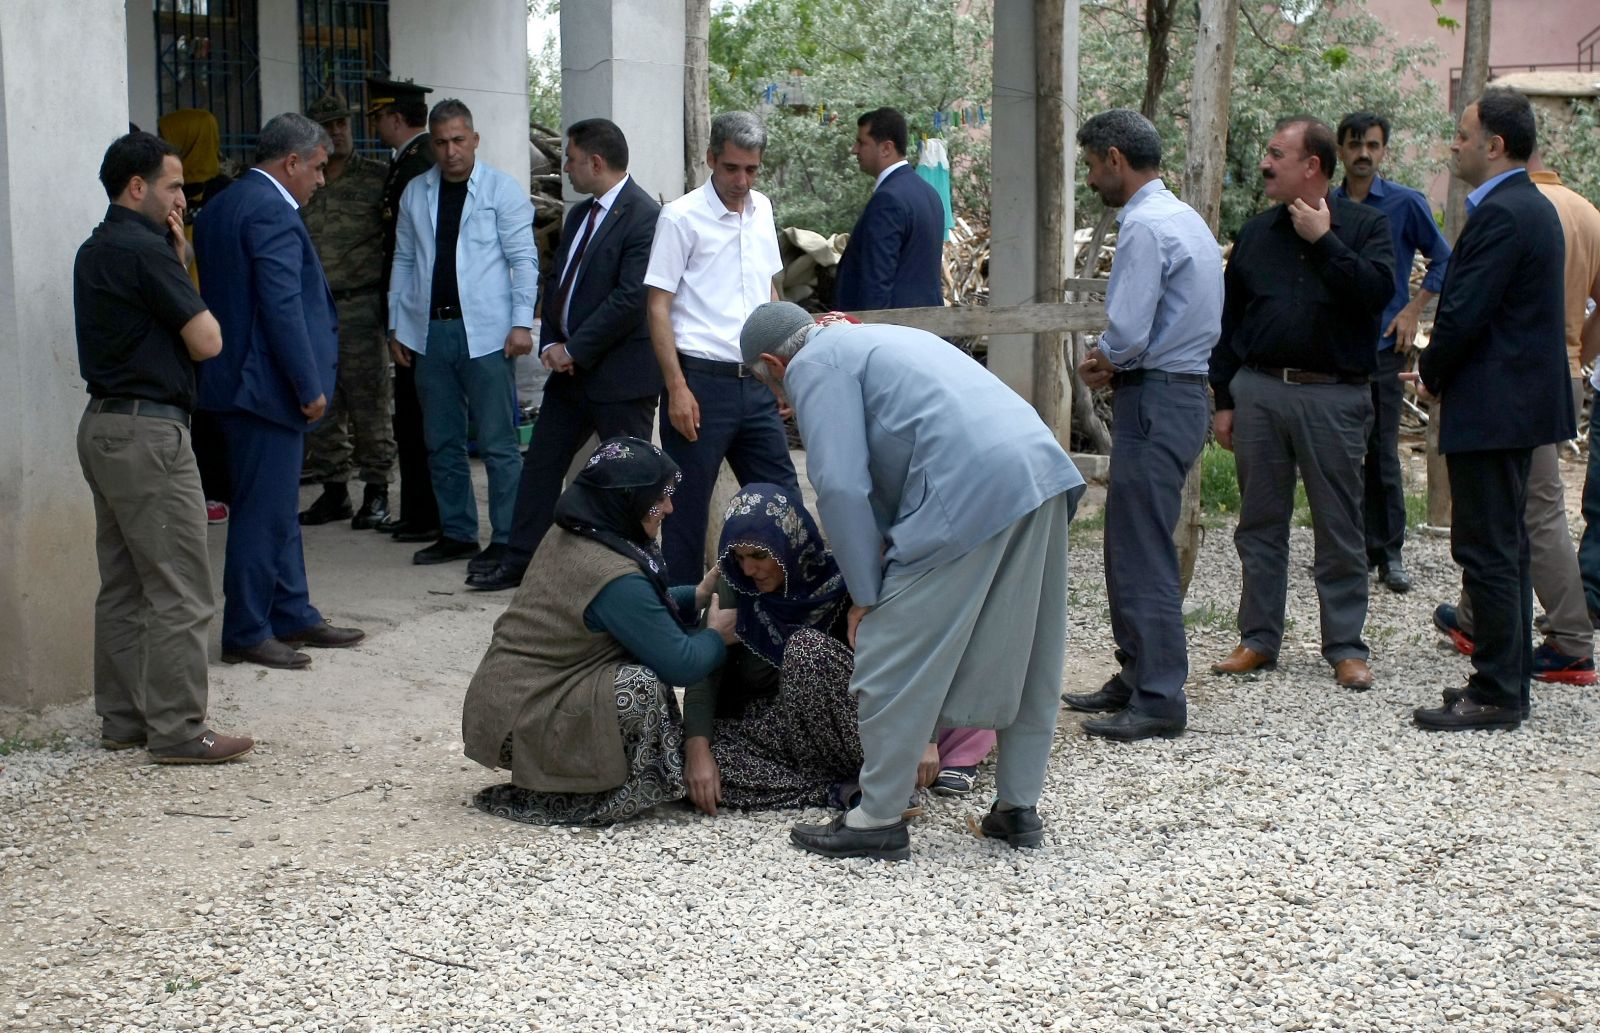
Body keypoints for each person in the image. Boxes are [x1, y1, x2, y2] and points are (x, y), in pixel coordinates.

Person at [741, 304, 1086, 861]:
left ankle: (877, 816)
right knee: (1028, 651)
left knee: (886, 651)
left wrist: (866, 596)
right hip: (1040, 471)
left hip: (968, 487)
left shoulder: (815, 363)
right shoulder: (875, 339)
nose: (782, 402)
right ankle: (1017, 810)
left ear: (772, 363)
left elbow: (842, 486)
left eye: (770, 385)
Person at [73, 131, 253, 763]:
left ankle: (123, 720)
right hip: (151, 432)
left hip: (103, 425)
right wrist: (181, 265)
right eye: (175, 185)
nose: (184, 197)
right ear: (138, 187)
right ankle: (179, 729)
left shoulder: (95, 249)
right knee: (181, 585)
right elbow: (207, 341)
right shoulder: (146, 253)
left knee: (122, 583)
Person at [1208, 115, 1394, 691]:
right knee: (1259, 523)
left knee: (1339, 525)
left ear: (1311, 166)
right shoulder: (1256, 233)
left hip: (1333, 396)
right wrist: (1225, 397)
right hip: (1259, 391)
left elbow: (1375, 294)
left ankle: (1344, 646)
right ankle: (1258, 639)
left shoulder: (1366, 226)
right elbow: (1229, 320)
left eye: (1275, 154)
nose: (1264, 164)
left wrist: (1325, 241)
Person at [461, 437, 735, 825]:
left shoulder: (580, 530)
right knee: (638, 685)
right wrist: (717, 635)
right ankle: (594, 792)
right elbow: (682, 664)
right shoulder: (612, 572)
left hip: (507, 704)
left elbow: (632, 613)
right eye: (659, 497)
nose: (669, 507)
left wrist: (697, 594)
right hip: (523, 715)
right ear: (626, 500)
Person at [1411, 90, 1573, 731]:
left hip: (1497, 406)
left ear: (1494, 145)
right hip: (1510, 404)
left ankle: (1501, 692)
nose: (1454, 144)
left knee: (1489, 550)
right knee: (1499, 547)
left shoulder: (1505, 213)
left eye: (1462, 133)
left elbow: (1466, 310)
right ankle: (1496, 680)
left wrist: (1430, 370)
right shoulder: (1519, 206)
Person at [683, 483, 993, 816]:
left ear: (789, 543)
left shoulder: (841, 580)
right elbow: (703, 679)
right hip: (776, 732)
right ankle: (844, 791)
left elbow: (909, 651)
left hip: (848, 729)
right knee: (679, 760)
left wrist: (924, 737)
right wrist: (697, 752)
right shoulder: (734, 587)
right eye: (740, 558)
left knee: (805, 650)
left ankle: (882, 774)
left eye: (759, 556)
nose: (748, 569)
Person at [1064, 109, 1223, 741]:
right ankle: (1135, 675)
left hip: (1156, 396)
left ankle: (1158, 695)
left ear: (1114, 158)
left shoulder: (1144, 227)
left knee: (1143, 550)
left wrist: (1107, 356)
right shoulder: (1185, 219)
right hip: (1176, 392)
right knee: (1131, 541)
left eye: (1092, 165)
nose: (1092, 178)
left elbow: (1129, 330)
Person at [195, 112, 366, 670]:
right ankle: (246, 628)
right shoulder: (270, 210)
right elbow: (280, 306)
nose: (322, 180)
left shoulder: (223, 204)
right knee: (261, 514)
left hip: (233, 384)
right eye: (317, 168)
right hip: (265, 389)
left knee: (274, 507)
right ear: (291, 162)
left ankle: (292, 613)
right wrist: (308, 383)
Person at [468, 118, 663, 592]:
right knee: (541, 465)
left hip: (620, 378)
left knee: (630, 480)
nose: (567, 169)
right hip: (572, 376)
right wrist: (552, 340)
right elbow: (559, 282)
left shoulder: (645, 216)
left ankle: (634, 574)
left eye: (571, 160)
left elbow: (630, 298)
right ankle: (520, 560)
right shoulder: (579, 215)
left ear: (595, 162)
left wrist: (575, 347)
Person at [1435, 149, 1599, 685]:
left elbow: (1473, 309)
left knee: (1533, 512)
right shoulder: (1586, 211)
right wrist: (1581, 357)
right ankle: (1477, 618)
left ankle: (1572, 639)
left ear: (1501, 149)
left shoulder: (1516, 210)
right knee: (1499, 509)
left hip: (1513, 382)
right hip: (1562, 371)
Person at [643, 111, 800, 584]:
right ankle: (684, 634)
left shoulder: (763, 210)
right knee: (686, 518)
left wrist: (781, 373)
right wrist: (677, 388)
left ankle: (788, 615)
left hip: (755, 382)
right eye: (731, 168)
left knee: (784, 501)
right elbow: (657, 306)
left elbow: (770, 293)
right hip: (700, 384)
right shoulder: (680, 217)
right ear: (710, 158)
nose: (741, 180)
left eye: (751, 169)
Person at [389, 98, 535, 572]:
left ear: (474, 139)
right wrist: (397, 324)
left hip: (488, 333)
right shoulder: (416, 192)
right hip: (430, 330)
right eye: (441, 142)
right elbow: (405, 260)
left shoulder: (501, 190)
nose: (451, 151)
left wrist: (520, 322)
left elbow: (524, 261)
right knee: (442, 441)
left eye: (458, 140)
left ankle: (508, 538)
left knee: (497, 442)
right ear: (430, 144)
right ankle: (457, 532)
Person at [1332, 111, 1452, 595]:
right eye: (1355, 144)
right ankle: (1349, 547)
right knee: (1339, 451)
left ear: (1384, 151)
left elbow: (1444, 259)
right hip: (1332, 349)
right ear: (1340, 150)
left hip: (1383, 346)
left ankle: (1390, 552)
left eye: (1373, 146)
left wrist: (1414, 310)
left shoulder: (1405, 204)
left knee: (1382, 450)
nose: (1364, 154)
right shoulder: (1322, 203)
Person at [298, 91, 396, 531]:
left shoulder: (377, 178)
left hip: (360, 305)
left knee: (369, 401)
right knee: (323, 401)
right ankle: (334, 490)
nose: (337, 132)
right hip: (315, 308)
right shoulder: (302, 182)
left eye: (342, 124)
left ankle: (377, 490)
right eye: (328, 126)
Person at [367, 76, 439, 541]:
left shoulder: (418, 165)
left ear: (394, 118)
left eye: (376, 117)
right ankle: (418, 510)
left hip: (420, 315)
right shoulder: (408, 162)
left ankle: (425, 513)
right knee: (411, 418)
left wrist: (401, 320)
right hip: (410, 311)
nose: (374, 125)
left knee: (420, 420)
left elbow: (413, 251)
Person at [156, 108, 234, 524]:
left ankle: (219, 489)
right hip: (179, 309)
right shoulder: (169, 191)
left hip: (213, 314)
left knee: (214, 405)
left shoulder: (225, 191)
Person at [833, 106, 946, 311]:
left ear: (886, 148)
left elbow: (876, 282)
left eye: (861, 142)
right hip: (928, 328)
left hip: (895, 332)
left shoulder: (888, 199)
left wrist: (872, 334)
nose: (854, 150)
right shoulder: (929, 193)